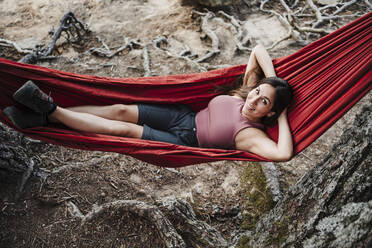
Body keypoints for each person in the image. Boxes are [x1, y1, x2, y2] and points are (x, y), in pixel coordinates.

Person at [3, 44, 293, 161]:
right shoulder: (244, 93)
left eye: (263, 101)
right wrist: (273, 85)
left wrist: (281, 114)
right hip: (183, 115)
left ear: (271, 112)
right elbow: (258, 50)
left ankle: (50, 110)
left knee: (123, 130)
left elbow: (282, 154)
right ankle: (43, 117)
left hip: (185, 139)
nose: (254, 99)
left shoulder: (251, 135)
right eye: (257, 92)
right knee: (121, 110)